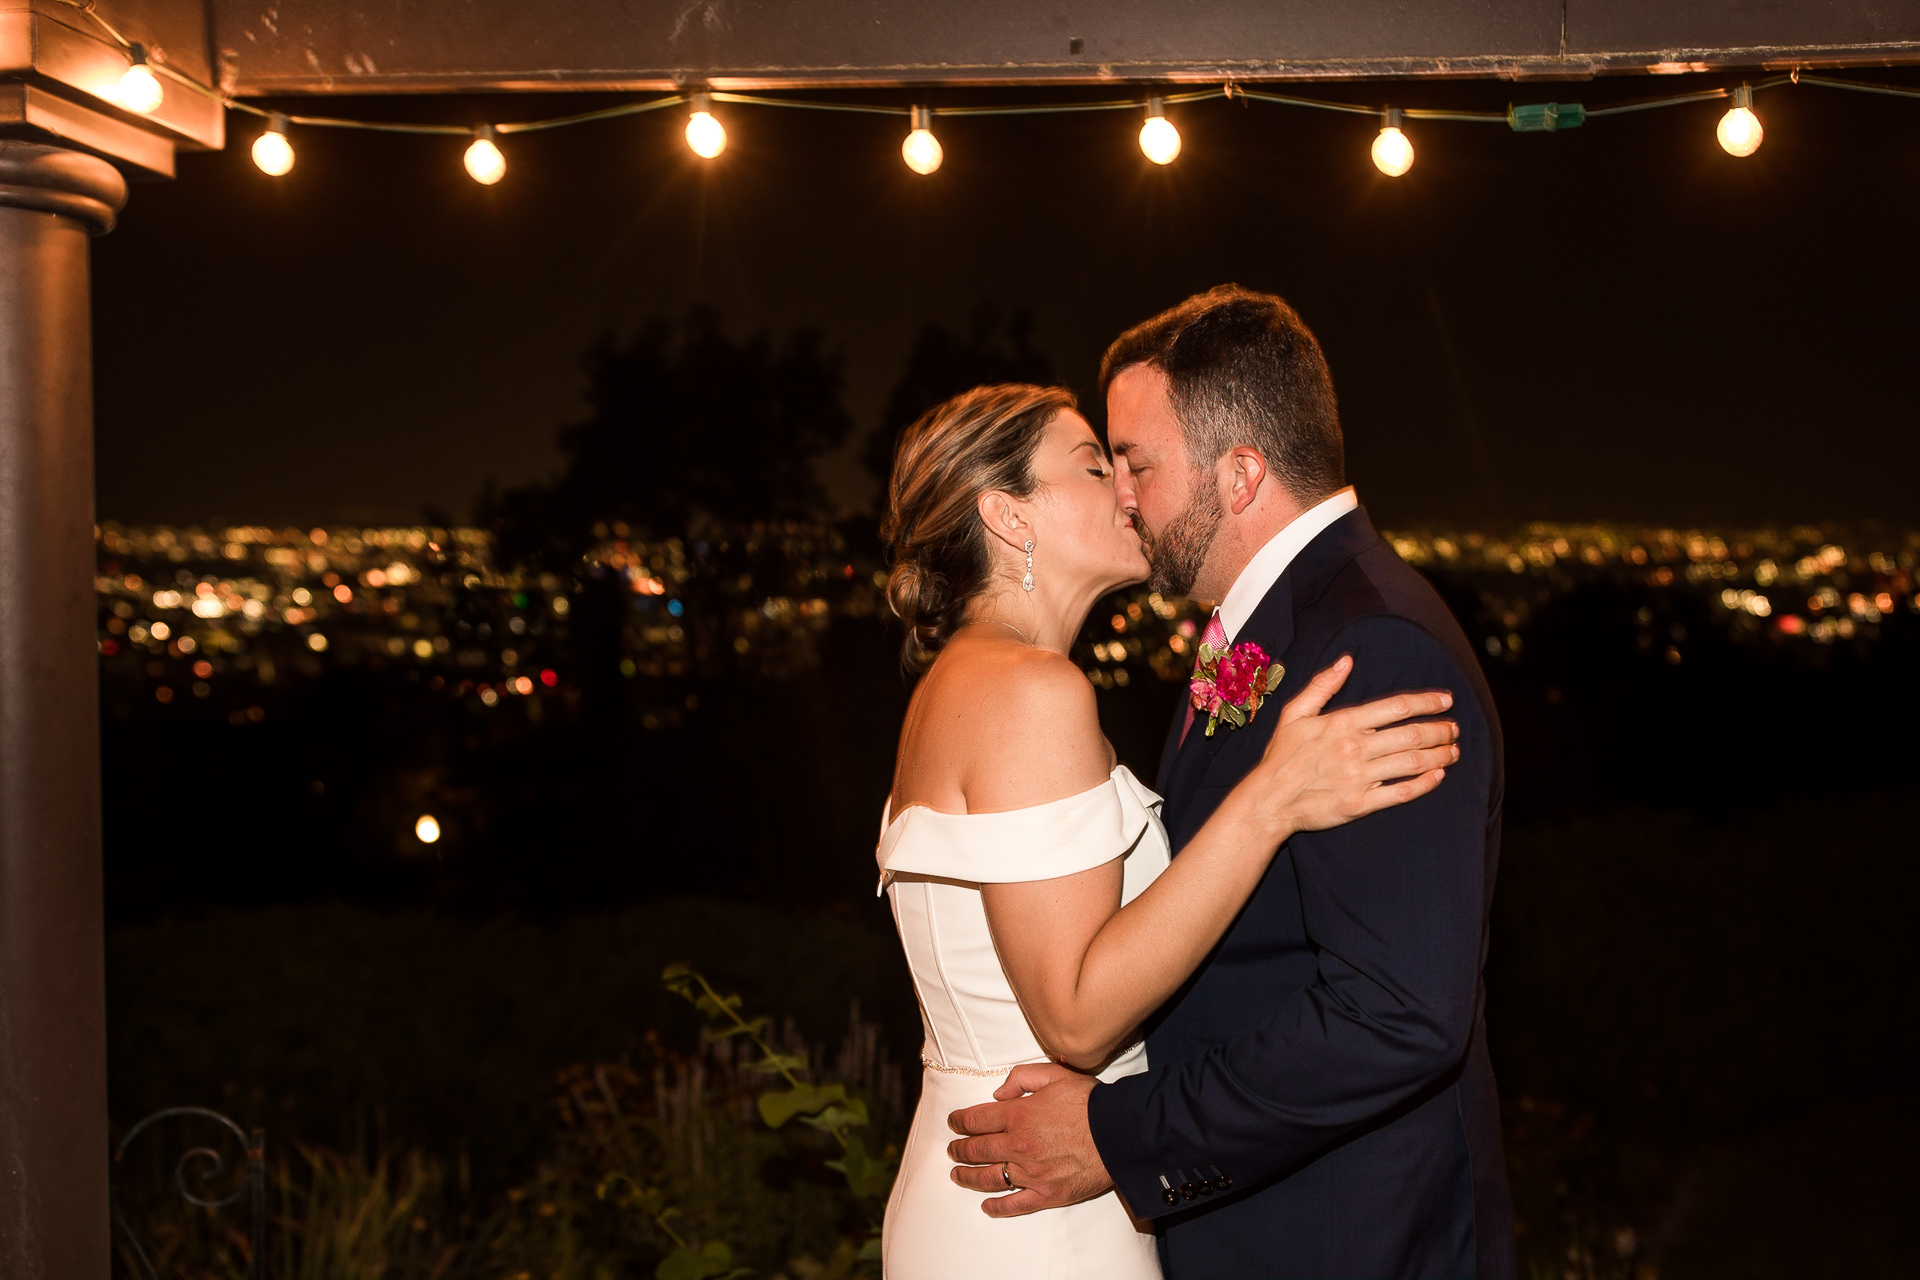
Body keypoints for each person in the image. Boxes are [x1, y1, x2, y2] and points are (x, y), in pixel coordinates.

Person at [943, 288, 1519, 1278]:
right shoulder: (1255, 630)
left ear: (1241, 472)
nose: (1120, 493)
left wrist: (1129, 1139)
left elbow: (1398, 1012)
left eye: (1137, 462)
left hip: (1348, 1238)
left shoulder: (1369, 648)